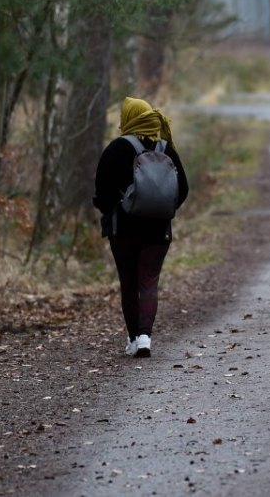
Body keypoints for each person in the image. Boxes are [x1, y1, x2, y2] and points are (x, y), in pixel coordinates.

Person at [93, 97, 190, 358]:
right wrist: (163, 210)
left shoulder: (117, 149)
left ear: (128, 119)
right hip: (158, 231)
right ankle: (146, 337)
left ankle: (134, 338)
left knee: (129, 283)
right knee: (148, 282)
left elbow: (101, 192)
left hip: (122, 230)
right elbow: (184, 190)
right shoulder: (166, 148)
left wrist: (114, 209)